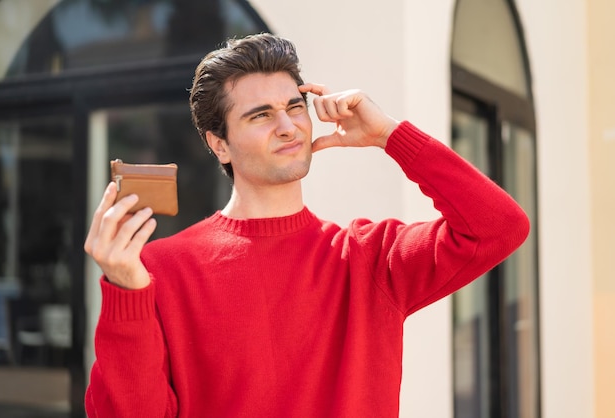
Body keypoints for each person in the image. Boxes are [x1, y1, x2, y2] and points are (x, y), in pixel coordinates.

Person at [83, 33, 529, 417]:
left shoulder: (369, 258)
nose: (288, 127)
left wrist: (390, 137)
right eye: (260, 115)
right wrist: (126, 292)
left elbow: (500, 227)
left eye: (295, 107)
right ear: (219, 144)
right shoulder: (158, 269)